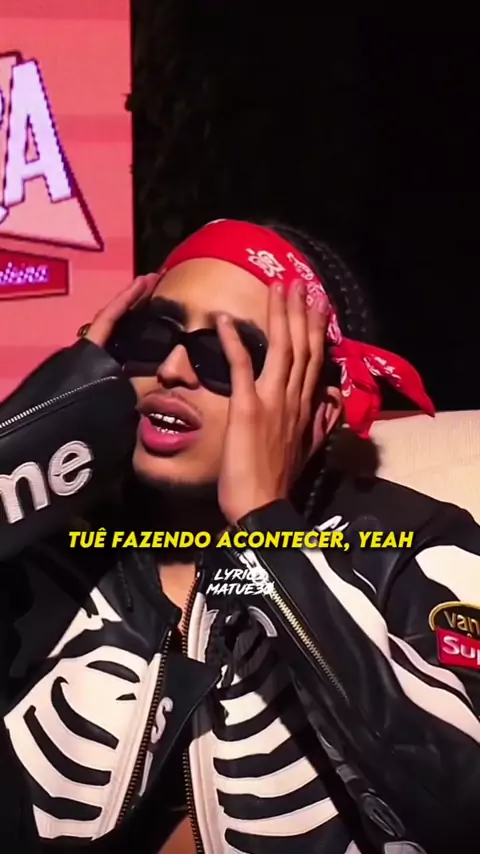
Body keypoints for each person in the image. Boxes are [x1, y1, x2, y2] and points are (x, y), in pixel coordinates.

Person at [0, 219, 479, 854]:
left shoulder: (411, 544)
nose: (173, 368)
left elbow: (460, 811)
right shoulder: (49, 544)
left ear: (317, 409)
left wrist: (267, 529)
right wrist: (39, 437)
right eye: (153, 336)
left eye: (229, 356)